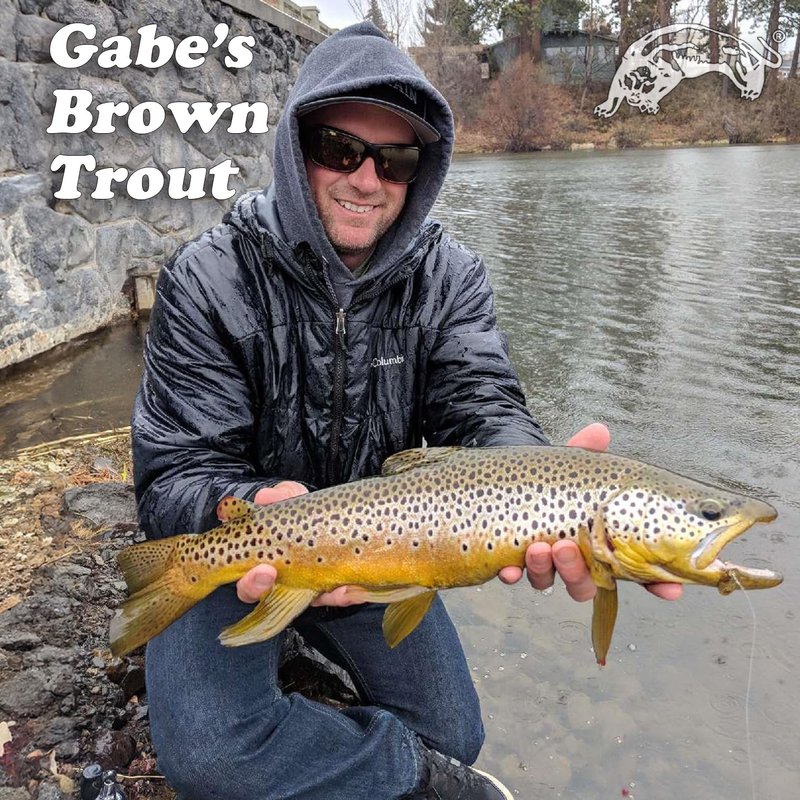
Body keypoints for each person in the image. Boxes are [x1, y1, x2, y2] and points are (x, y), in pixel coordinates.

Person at [131, 22, 680, 800]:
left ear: (421, 172)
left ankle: (346, 727)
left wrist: (542, 481)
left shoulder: (450, 278)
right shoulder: (206, 278)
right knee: (214, 756)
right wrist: (253, 504)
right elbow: (174, 473)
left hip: (384, 552)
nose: (367, 179)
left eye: (395, 161)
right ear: (295, 150)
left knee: (456, 735)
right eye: (339, 149)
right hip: (242, 553)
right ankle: (411, 772)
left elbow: (482, 405)